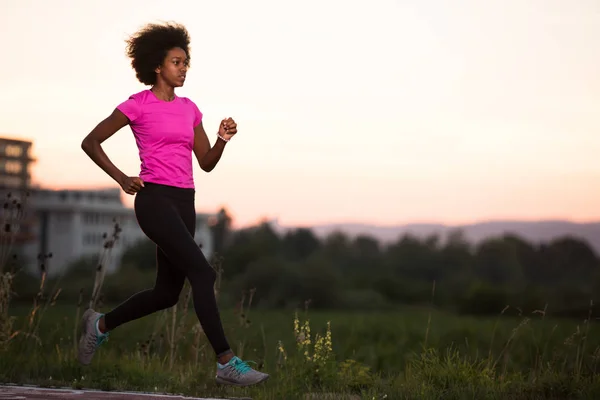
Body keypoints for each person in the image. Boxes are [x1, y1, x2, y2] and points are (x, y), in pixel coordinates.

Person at [78, 21, 269, 387]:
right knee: (203, 273)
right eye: (177, 62)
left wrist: (222, 139)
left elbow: (206, 163)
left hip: (185, 202)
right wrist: (121, 178)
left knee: (166, 294)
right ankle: (226, 362)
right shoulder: (137, 105)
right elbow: (91, 141)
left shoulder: (190, 109)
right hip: (153, 200)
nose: (183, 68)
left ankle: (99, 324)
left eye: (186, 63)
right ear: (157, 65)